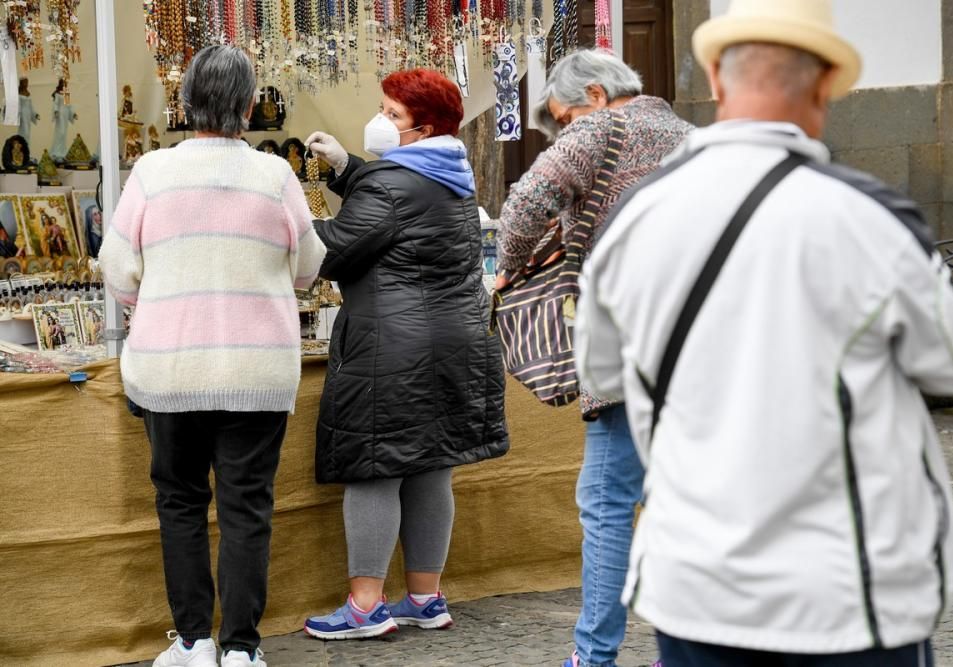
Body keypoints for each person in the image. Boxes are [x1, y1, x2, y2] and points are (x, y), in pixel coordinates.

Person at [575, 1, 953, 665]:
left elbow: (599, 378)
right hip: (844, 596)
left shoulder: (629, 222)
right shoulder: (867, 216)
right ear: (828, 83)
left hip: (694, 589)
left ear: (714, 78)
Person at [99, 45, 325, 667]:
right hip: (257, 371)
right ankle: (243, 649)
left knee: (179, 502)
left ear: (186, 102)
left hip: (168, 368)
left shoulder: (151, 173)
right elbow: (308, 268)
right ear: (251, 106)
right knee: (247, 506)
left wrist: (154, 298)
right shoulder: (276, 176)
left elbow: (116, 267)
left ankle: (195, 642)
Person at [495, 48, 691, 667]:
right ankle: (678, 651)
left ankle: (594, 656)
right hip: (696, 352)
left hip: (622, 346)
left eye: (562, 117)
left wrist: (508, 268)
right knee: (678, 505)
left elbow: (525, 204)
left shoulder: (602, 129)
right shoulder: (693, 136)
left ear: (598, 96)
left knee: (607, 504)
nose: (561, 131)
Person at [302, 67, 509, 641]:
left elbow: (338, 248)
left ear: (421, 129)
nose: (381, 121)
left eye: (392, 114)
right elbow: (394, 205)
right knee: (429, 469)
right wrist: (347, 169)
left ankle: (366, 607)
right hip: (456, 342)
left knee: (375, 469)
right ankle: (425, 596)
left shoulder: (393, 184)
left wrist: (285, 212)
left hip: (393, 349)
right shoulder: (450, 172)